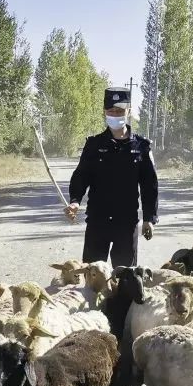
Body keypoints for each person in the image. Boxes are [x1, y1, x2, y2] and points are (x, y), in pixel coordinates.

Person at [65, 86, 158, 267]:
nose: (115, 114)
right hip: (97, 222)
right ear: (105, 112)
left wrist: (149, 219)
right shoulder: (93, 144)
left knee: (125, 279)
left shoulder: (141, 147)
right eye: (111, 111)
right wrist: (75, 200)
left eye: (120, 111)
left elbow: (149, 186)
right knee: (92, 278)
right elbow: (81, 176)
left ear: (128, 111)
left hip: (126, 223)